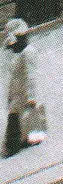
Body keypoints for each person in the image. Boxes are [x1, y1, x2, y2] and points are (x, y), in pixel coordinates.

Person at [4, 19, 44, 158]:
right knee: (21, 119)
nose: (12, 48)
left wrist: (32, 97)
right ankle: (27, 139)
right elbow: (14, 77)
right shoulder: (19, 54)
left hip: (24, 96)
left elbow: (31, 77)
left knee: (19, 121)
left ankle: (14, 146)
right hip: (17, 96)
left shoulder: (28, 53)